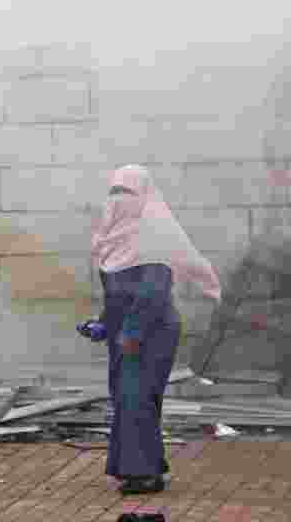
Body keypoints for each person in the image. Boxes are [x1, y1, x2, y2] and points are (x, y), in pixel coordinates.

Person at [88, 164, 221, 495]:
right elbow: (116, 295)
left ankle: (144, 474)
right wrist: (103, 324)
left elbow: (153, 291)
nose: (118, 200)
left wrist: (131, 332)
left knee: (137, 398)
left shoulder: (153, 236)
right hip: (125, 332)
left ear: (144, 196)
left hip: (153, 330)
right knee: (127, 398)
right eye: (114, 192)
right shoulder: (109, 238)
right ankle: (135, 468)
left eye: (127, 193)